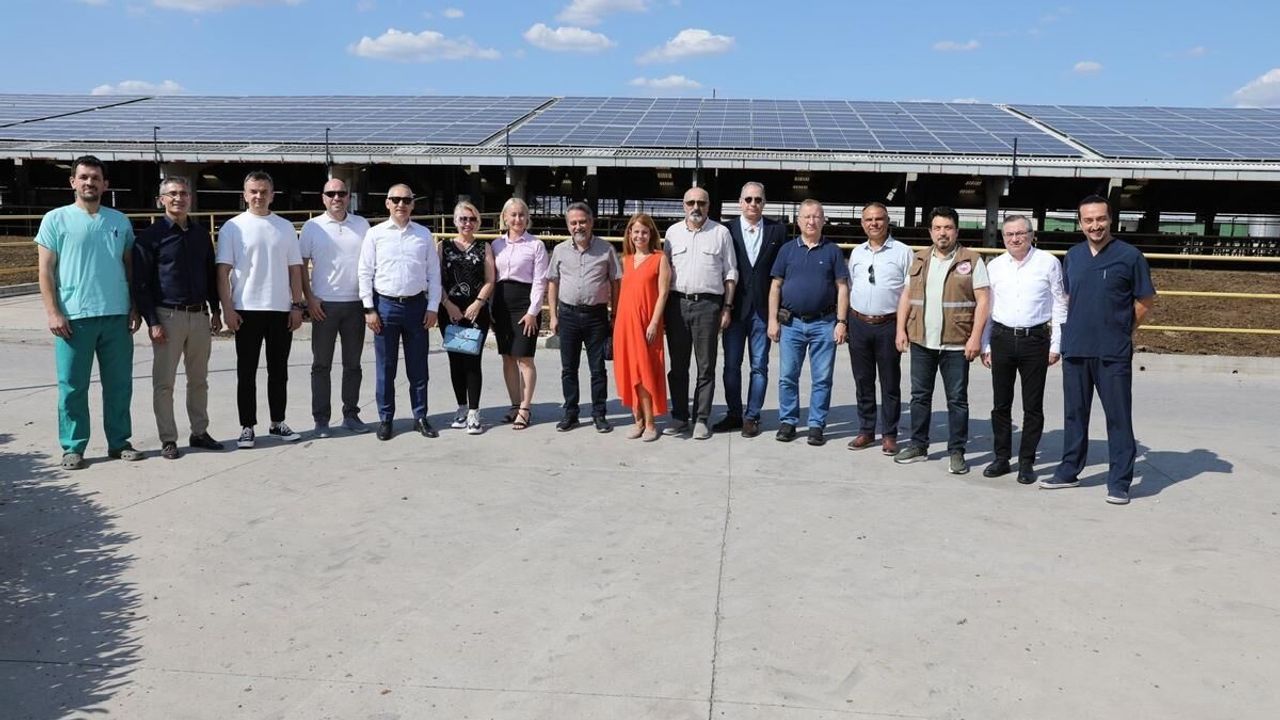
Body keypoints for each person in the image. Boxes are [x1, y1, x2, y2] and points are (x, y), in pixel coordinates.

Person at [1042, 195, 1156, 505]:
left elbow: (1145, 300)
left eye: (1101, 219)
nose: (1095, 225)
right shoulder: (1073, 256)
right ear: (1080, 223)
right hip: (1076, 348)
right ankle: (1068, 471)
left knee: (1118, 417)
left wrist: (1122, 328)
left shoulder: (1129, 256)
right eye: (1089, 220)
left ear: (1110, 219)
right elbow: (1067, 298)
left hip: (1112, 351)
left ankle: (1119, 482)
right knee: (1074, 414)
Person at [35, 155, 143, 469]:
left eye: (95, 178)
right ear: (73, 182)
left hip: (116, 315)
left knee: (119, 385)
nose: (89, 182)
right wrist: (53, 312)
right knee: (72, 386)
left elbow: (130, 267)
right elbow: (45, 271)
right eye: (83, 177)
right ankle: (73, 446)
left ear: (105, 184)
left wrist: (134, 306)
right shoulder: (55, 220)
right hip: (73, 318)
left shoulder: (119, 221)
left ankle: (119, 442)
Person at [132, 176, 224, 460]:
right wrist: (153, 321)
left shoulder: (200, 235)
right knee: (164, 383)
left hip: (199, 316)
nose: (178, 198)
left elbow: (210, 274)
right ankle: (168, 438)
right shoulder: (150, 237)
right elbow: (141, 283)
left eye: (183, 193)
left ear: (190, 199)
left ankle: (199, 432)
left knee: (199, 380)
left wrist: (215, 309)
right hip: (167, 316)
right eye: (172, 194)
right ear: (161, 200)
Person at [893, 206, 990, 474]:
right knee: (919, 397)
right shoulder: (919, 259)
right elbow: (906, 296)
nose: (942, 233)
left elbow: (983, 300)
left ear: (956, 231)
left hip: (956, 343)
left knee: (957, 399)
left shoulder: (972, 259)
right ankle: (918, 445)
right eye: (937, 228)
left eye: (947, 227)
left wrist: (975, 337)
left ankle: (957, 451)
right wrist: (900, 330)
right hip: (922, 341)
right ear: (930, 232)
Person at [217, 170, 306, 449]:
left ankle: (278, 422)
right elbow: (223, 272)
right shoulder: (233, 227)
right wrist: (227, 309)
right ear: (245, 195)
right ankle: (247, 426)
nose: (258, 196)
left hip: (280, 309)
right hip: (246, 309)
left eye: (264, 191)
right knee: (247, 372)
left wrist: (297, 305)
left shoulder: (285, 227)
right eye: (253, 191)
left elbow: (295, 270)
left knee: (279, 371)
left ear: (272, 195)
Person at [979, 215, 1067, 484]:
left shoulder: (1048, 262)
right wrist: (985, 343)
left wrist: (1056, 344)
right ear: (1003, 237)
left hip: (1035, 340)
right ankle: (1001, 457)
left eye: (1020, 233)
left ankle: (1027, 462)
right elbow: (988, 308)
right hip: (1002, 338)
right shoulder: (994, 266)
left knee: (1033, 405)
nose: (1015, 239)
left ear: (1031, 235)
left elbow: (1060, 304)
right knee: (1000, 404)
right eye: (1009, 234)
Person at [357, 184, 442, 441]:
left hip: (416, 306)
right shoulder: (375, 234)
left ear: (413, 204)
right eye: (395, 199)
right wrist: (369, 308)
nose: (400, 204)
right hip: (385, 306)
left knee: (418, 367)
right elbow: (365, 272)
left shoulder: (423, 234)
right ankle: (386, 419)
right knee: (386, 368)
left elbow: (433, 273)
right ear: (387, 203)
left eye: (406, 200)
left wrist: (432, 307)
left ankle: (420, 416)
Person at [767, 199, 850, 446]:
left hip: (824, 323)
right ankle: (788, 421)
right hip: (791, 324)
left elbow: (842, 287)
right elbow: (775, 286)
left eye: (816, 216)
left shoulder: (833, 251)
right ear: (798, 220)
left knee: (822, 378)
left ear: (823, 220)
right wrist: (772, 320)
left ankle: (816, 425)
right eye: (806, 216)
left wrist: (841, 321)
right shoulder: (787, 250)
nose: (811, 221)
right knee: (787, 377)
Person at [664, 186, 738, 439]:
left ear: (708, 206)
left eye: (701, 203)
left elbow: (730, 272)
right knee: (678, 366)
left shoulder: (720, 233)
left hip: (708, 306)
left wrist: (727, 307)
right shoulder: (672, 233)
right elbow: (664, 272)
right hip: (677, 305)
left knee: (706, 366)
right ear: (683, 205)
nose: (696, 207)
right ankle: (679, 417)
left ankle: (701, 419)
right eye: (691, 202)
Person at [300, 177, 371, 438]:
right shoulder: (312, 227)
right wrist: (309, 298)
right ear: (323, 198)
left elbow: (370, 263)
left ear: (348, 196)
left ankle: (350, 415)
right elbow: (300, 266)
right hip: (324, 306)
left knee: (353, 364)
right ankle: (321, 420)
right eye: (331, 194)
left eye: (341, 193)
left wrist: (369, 303)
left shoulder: (362, 225)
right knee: (321, 365)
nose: (336, 198)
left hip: (355, 304)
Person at [715, 181, 786, 438]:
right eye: (748, 199)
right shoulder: (726, 230)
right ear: (739, 202)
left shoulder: (778, 231)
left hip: (763, 311)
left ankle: (752, 417)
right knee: (731, 366)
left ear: (764, 203)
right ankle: (734, 413)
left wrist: (777, 314)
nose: (753, 204)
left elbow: (781, 273)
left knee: (759, 366)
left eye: (758, 199)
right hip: (734, 309)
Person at [547, 202, 622, 433]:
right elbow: (553, 282)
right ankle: (571, 414)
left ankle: (599, 414)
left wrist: (615, 314)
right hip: (568, 315)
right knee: (568, 368)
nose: (578, 226)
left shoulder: (606, 249)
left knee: (597, 369)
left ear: (591, 222)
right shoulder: (560, 250)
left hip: (596, 316)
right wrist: (553, 315)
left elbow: (615, 283)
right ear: (568, 225)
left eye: (582, 221)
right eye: (573, 222)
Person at [845, 202, 913, 456]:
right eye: (869, 220)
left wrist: (902, 328)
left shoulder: (903, 252)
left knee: (889, 382)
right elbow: (851, 286)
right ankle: (866, 430)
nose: (874, 223)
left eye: (879, 219)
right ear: (862, 223)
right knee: (863, 380)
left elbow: (909, 292)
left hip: (889, 324)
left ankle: (889, 434)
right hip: (859, 323)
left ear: (887, 221)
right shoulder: (857, 253)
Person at [438, 200, 495, 435]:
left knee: (472, 361)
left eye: (472, 219)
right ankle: (461, 407)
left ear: (478, 222)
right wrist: (447, 304)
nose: (467, 223)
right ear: (455, 221)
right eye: (463, 219)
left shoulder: (484, 247)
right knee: (456, 361)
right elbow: (436, 280)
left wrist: (478, 303)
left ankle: (474, 412)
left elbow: (490, 279)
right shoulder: (443, 247)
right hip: (450, 311)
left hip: (475, 312)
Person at [491, 197, 548, 431]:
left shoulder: (536, 245)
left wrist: (533, 311)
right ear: (505, 217)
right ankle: (514, 404)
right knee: (507, 357)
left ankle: (525, 408)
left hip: (524, 305)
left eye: (522, 214)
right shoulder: (496, 245)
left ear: (528, 218)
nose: (517, 219)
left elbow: (540, 281)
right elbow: (491, 278)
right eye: (513, 215)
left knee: (524, 358)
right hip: (501, 306)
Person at [613, 213, 671, 442]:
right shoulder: (625, 260)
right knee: (629, 371)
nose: (640, 236)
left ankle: (650, 423)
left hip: (647, 324)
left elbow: (663, 293)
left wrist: (655, 322)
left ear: (651, 234)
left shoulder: (659, 259)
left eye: (644, 232)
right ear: (629, 234)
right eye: (636, 231)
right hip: (625, 324)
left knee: (645, 371)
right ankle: (637, 419)